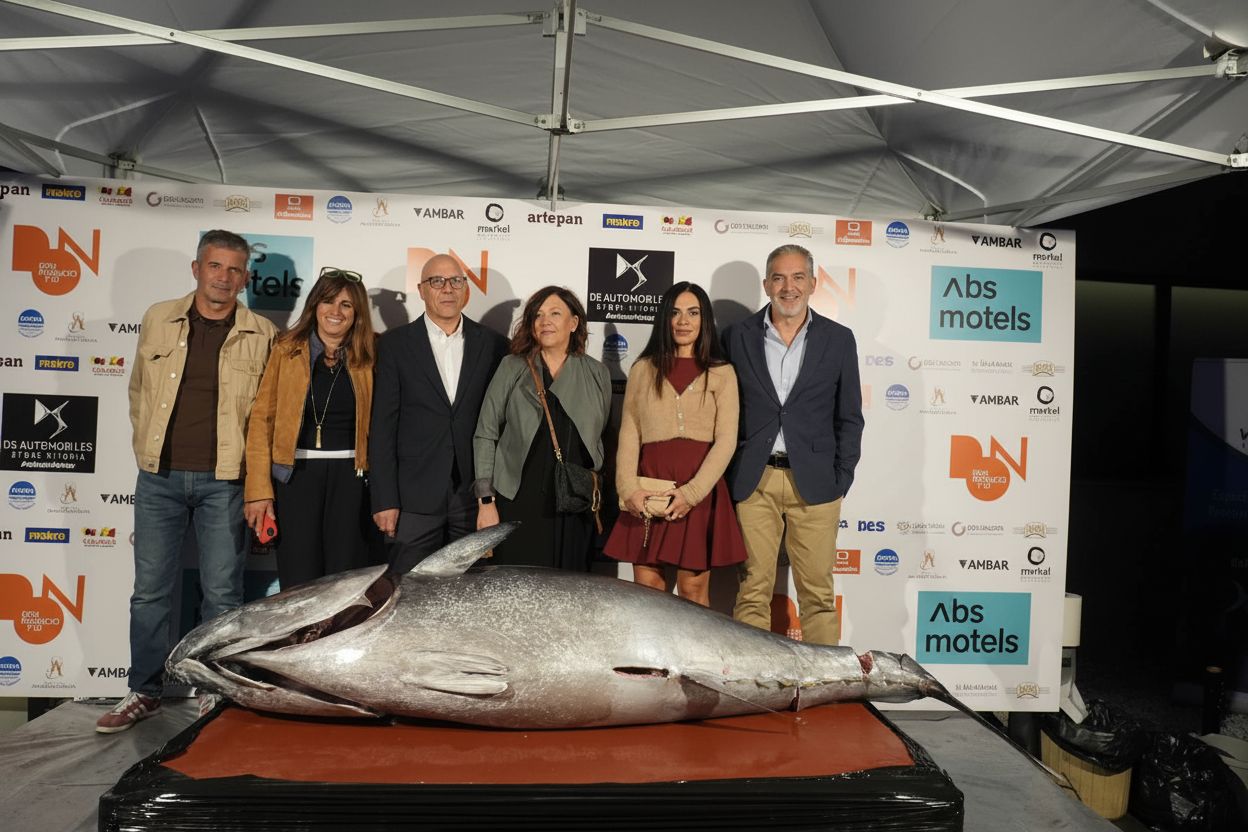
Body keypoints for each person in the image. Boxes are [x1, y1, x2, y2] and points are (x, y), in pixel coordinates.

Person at [97, 229, 276, 733]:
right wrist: (148, 452)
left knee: (222, 593)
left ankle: (215, 693)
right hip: (159, 477)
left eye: (234, 269)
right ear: (196, 268)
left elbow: (264, 415)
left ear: (245, 278)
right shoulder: (158, 317)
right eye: (214, 266)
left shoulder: (261, 332)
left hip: (225, 479)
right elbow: (138, 390)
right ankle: (145, 690)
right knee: (150, 591)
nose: (223, 277)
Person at [722, 243, 864, 646]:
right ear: (767, 284)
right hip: (754, 481)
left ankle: (824, 687)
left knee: (818, 596)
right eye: (780, 278)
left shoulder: (839, 340)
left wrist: (841, 478)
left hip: (817, 483)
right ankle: (753, 684)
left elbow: (850, 417)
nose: (789, 287)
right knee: (752, 591)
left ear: (813, 284)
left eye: (798, 277)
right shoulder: (737, 337)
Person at [604, 282, 747, 605]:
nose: (684, 321)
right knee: (647, 592)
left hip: (699, 491)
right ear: (664, 319)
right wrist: (628, 490)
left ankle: (692, 659)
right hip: (647, 489)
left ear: (704, 320)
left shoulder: (722, 373)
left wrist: (691, 494)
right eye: (675, 312)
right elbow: (629, 433)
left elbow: (726, 440)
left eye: (693, 313)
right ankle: (648, 660)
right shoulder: (643, 369)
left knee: (694, 591)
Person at [369, 254, 508, 574]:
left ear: (466, 290)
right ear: (421, 290)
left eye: (456, 281)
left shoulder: (495, 345)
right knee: (409, 594)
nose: (447, 289)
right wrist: (384, 499)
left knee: (474, 592)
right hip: (412, 499)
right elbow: (382, 427)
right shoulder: (394, 345)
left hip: (474, 495)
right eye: (437, 281)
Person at [243, 267, 376, 589]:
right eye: (328, 301)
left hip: (352, 481)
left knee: (345, 583)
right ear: (314, 305)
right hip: (295, 480)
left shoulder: (371, 355)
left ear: (357, 312)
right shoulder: (286, 350)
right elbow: (262, 420)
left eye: (346, 304)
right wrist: (258, 490)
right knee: (299, 582)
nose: (335, 311)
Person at [474, 286, 610, 569]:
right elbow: (486, 432)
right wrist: (486, 502)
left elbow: (602, 436)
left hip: (574, 504)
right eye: (538, 315)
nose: (545, 321)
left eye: (555, 313)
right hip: (517, 501)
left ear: (573, 323)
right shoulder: (512, 367)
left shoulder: (597, 373)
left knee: (569, 593)